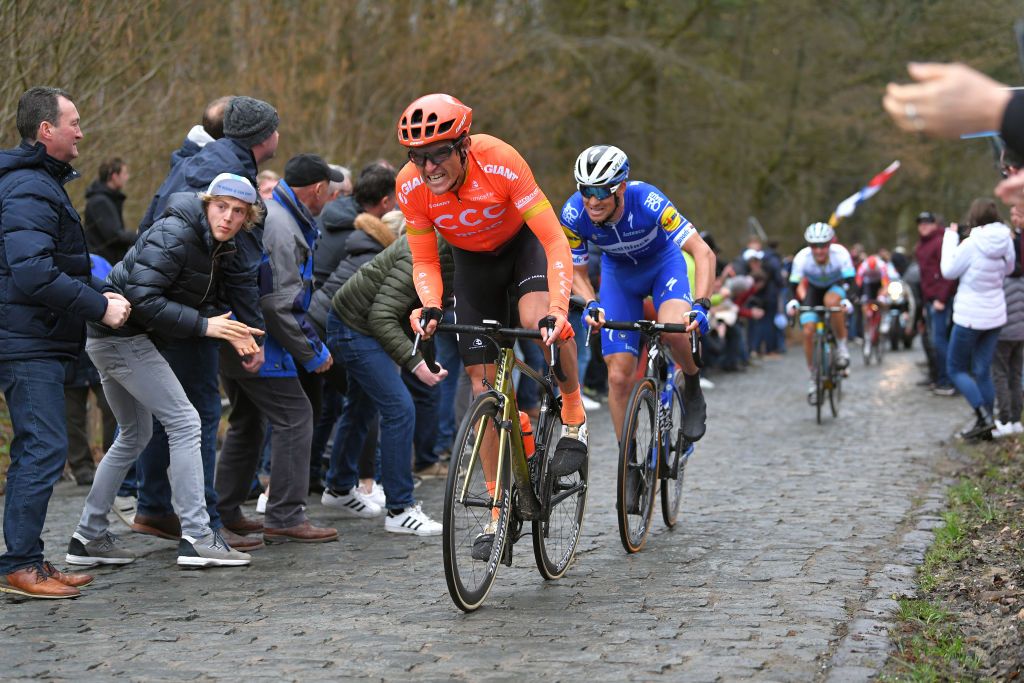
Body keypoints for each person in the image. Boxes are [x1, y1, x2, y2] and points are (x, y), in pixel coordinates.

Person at [397, 93, 588, 554]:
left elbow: (554, 241)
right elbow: (424, 259)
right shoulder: (411, 187)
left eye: (439, 153)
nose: (429, 167)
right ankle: (498, 511)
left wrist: (558, 310)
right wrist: (430, 305)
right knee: (483, 389)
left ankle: (573, 411)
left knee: (533, 320)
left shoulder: (500, 160)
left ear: (463, 145)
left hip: (523, 249)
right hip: (474, 265)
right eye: (418, 157)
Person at [65, 173, 265, 570]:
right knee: (186, 421)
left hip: (116, 338)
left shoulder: (216, 244)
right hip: (120, 336)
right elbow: (140, 296)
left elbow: (193, 295)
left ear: (248, 218)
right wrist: (206, 325)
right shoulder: (177, 231)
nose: (227, 217)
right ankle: (197, 535)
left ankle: (87, 537)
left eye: (238, 211)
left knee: (135, 434)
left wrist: (234, 329)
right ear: (207, 203)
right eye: (221, 206)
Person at [0, 87, 131, 599]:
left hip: (37, 336)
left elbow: (54, 266)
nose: (81, 131)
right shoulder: (29, 187)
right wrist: (100, 306)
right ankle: (20, 567)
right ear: (45, 130)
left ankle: (26, 557)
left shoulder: (37, 183)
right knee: (45, 446)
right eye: (73, 121)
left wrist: (101, 288)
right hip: (26, 341)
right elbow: (32, 273)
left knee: (39, 446)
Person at [131, 96, 277, 550]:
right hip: (188, 310)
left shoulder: (205, 161)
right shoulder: (224, 176)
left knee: (168, 416)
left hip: (181, 306)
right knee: (197, 415)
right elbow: (240, 266)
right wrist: (249, 336)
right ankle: (206, 525)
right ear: (263, 138)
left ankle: (155, 508)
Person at [215, 154, 340, 544]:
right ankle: (285, 513)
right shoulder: (284, 227)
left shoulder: (281, 216)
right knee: (296, 416)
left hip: (243, 336)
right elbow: (279, 303)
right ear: (318, 190)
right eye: (329, 189)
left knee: (247, 422)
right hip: (258, 342)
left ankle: (226, 508)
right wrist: (314, 353)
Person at [560, 144, 715, 442]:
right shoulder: (572, 213)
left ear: (621, 188)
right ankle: (627, 461)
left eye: (602, 191)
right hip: (619, 277)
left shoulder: (647, 199)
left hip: (662, 267)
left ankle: (692, 383)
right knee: (618, 377)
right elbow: (577, 272)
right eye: (585, 189)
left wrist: (702, 304)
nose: (592, 200)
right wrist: (591, 302)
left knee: (676, 331)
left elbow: (702, 252)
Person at [323, 231, 452, 532]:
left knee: (360, 407)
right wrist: (417, 364)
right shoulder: (428, 251)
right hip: (354, 325)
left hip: (362, 322)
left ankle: (339, 488)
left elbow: (427, 315)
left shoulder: (452, 249)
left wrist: (427, 360)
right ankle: (400, 509)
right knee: (399, 408)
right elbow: (381, 316)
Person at [941, 198, 1015, 441]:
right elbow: (1010, 268)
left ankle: (983, 416)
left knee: (956, 368)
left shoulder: (971, 244)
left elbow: (948, 270)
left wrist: (950, 238)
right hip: (994, 315)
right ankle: (986, 425)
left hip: (969, 316)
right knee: (983, 370)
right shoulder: (1006, 239)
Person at [785, 222, 855, 400]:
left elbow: (851, 281)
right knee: (808, 330)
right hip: (814, 291)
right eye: (814, 246)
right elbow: (793, 285)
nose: (819, 250)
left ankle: (841, 348)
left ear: (830, 244)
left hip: (835, 287)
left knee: (831, 302)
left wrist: (848, 300)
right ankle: (813, 376)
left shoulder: (840, 254)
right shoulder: (802, 258)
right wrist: (793, 302)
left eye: (823, 245)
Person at [915, 211, 957, 395]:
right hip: (929, 299)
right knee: (935, 341)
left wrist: (942, 298)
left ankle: (947, 380)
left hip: (940, 300)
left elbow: (949, 273)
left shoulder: (940, 242)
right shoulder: (921, 245)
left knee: (940, 341)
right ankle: (940, 377)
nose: (923, 225)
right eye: (920, 222)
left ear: (934, 224)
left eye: (927, 222)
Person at [83, 157, 135, 263]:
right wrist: (137, 236)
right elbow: (114, 236)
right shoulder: (100, 202)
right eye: (124, 174)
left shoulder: (108, 199)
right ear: (114, 177)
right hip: (103, 264)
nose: (127, 177)